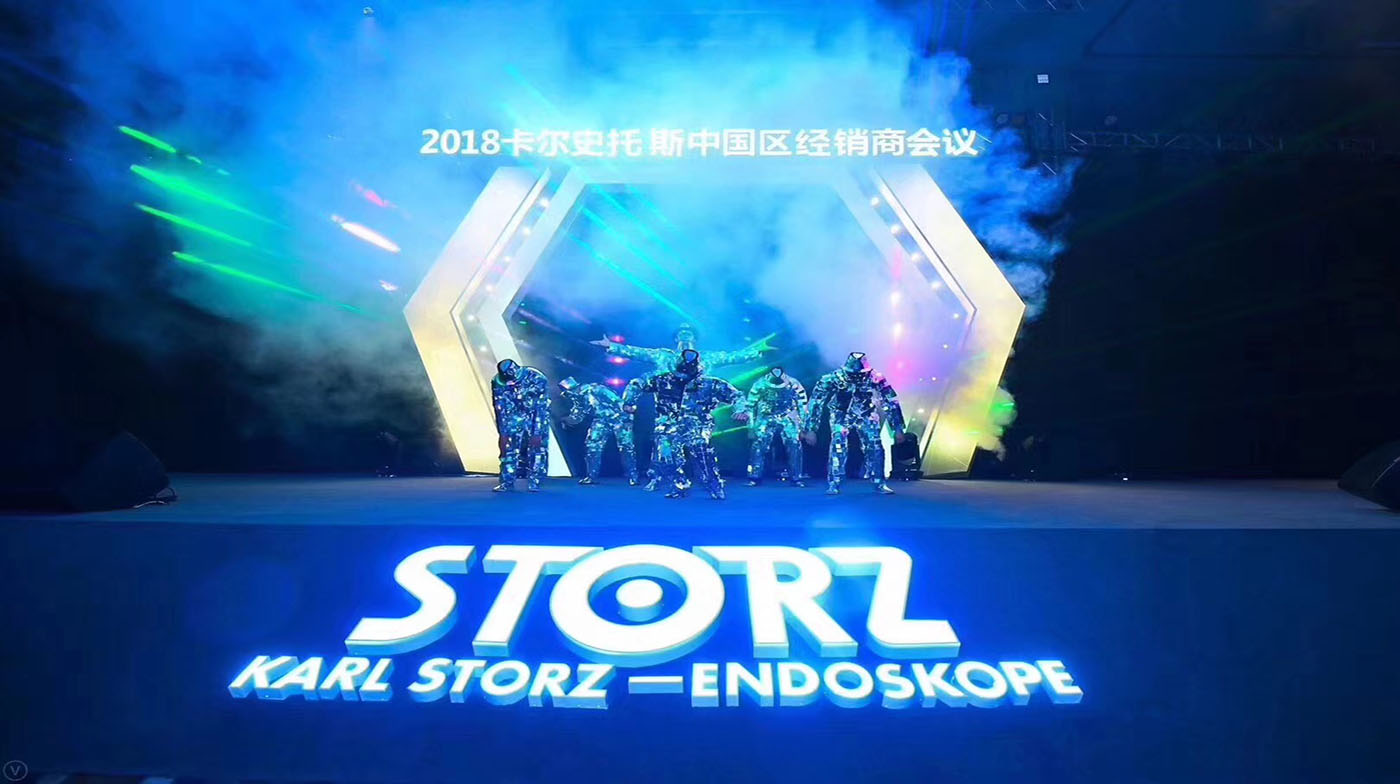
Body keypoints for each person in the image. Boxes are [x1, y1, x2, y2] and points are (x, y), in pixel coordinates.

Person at [592, 323, 772, 489]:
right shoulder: (664, 356)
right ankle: (658, 477)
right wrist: (611, 346)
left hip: (696, 409)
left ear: (695, 338)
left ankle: (710, 480)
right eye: (681, 334)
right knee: (663, 444)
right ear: (676, 338)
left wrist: (756, 351)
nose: (685, 336)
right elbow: (638, 353)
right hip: (668, 406)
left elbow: (732, 357)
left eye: (689, 333)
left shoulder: (706, 357)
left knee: (701, 446)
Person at [623, 349, 747, 499]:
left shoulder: (710, 383)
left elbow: (736, 395)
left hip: (697, 423)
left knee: (701, 453)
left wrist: (741, 409)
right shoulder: (663, 380)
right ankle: (679, 484)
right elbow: (637, 383)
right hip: (668, 424)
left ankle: (713, 485)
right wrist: (629, 402)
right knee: (665, 457)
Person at [803, 352, 913, 495]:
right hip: (841, 414)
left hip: (866, 413)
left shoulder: (875, 377)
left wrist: (897, 428)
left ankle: (879, 482)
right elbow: (816, 400)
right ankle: (834, 482)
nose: (857, 377)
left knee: (875, 446)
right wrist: (810, 428)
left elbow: (890, 400)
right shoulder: (834, 377)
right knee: (838, 446)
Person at [558, 376, 639, 485]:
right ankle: (591, 476)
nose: (569, 396)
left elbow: (616, 400)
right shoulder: (579, 398)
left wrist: (626, 414)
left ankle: (633, 476)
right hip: (601, 420)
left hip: (620, 419)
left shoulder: (596, 389)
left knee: (626, 447)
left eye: (568, 393)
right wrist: (568, 420)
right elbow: (579, 414)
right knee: (592, 445)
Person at [737, 366, 807, 487]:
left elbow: (802, 404)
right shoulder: (760, 384)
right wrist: (751, 427)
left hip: (788, 416)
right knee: (758, 445)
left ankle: (796, 477)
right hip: (766, 417)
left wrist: (803, 427)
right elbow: (750, 405)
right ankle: (754, 476)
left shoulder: (793, 383)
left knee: (794, 444)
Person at [490, 358, 550, 492]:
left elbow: (541, 407)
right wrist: (503, 432)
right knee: (508, 449)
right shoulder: (497, 382)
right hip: (513, 418)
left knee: (536, 449)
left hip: (534, 417)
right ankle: (506, 481)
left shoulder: (535, 377)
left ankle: (535, 481)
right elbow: (499, 409)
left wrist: (537, 432)